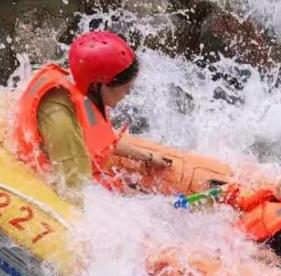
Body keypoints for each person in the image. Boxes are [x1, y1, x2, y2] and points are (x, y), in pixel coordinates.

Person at [15, 31, 170, 205]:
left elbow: (99, 139)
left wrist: (148, 157)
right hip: (39, 179)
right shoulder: (60, 117)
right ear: (100, 85)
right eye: (126, 87)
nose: (128, 93)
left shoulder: (84, 88)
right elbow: (73, 191)